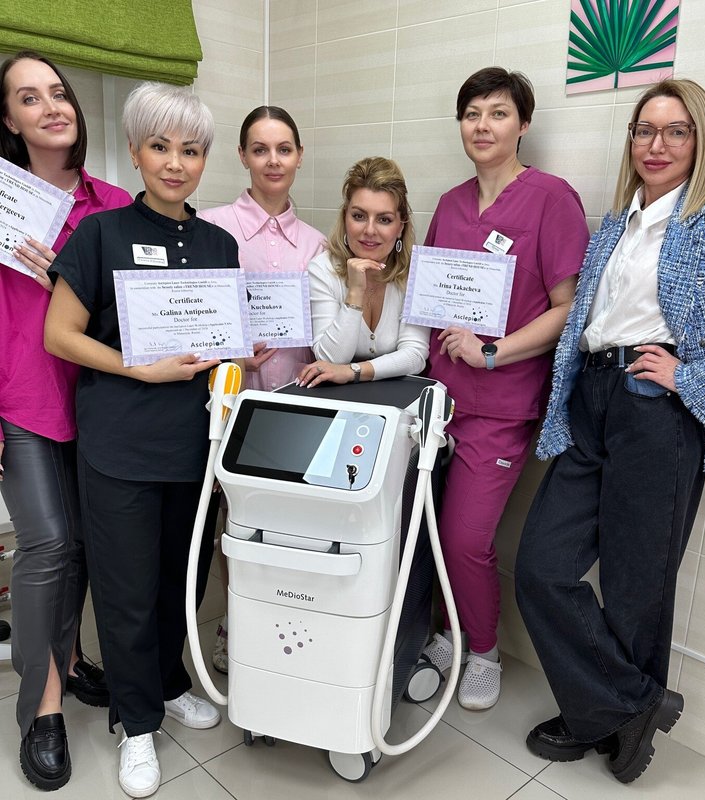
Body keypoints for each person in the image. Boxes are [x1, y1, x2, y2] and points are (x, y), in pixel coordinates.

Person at [514, 78, 705, 784]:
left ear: (700, 141)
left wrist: (693, 376)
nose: (657, 144)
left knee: (636, 585)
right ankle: (632, 704)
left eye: (676, 131)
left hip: (655, 410)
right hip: (591, 403)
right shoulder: (617, 223)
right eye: (645, 129)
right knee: (543, 566)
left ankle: (609, 725)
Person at [43, 82, 239, 799]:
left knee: (178, 582)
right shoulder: (100, 234)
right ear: (134, 152)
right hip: (120, 445)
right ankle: (136, 722)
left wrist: (236, 360)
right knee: (126, 591)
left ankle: (167, 682)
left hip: (194, 446)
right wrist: (138, 366)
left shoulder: (219, 243)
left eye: (191, 150)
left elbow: (221, 342)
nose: (175, 163)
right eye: (160, 147)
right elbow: (58, 334)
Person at [421, 67, 589, 711]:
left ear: (523, 124)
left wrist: (492, 352)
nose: (483, 125)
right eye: (472, 114)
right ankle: (447, 633)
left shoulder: (551, 199)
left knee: (467, 538)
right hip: (437, 400)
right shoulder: (450, 204)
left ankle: (484, 651)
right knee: (428, 530)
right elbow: (430, 297)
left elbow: (567, 308)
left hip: (500, 406)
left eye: (498, 113)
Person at [0, 50, 131, 790]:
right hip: (21, 401)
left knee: (82, 545)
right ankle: (42, 707)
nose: (51, 107)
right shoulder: (1, 203)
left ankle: (72, 658)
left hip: (102, 403)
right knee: (46, 543)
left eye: (57, 92)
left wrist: (67, 277)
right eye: (29, 98)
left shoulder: (112, 205)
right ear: (8, 119)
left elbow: (131, 317)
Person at [199, 105, 325, 672]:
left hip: (299, 407)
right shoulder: (210, 228)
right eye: (260, 149)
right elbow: (190, 320)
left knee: (291, 523)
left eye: (284, 149)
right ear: (243, 156)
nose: (273, 160)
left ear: (299, 156)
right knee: (237, 523)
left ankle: (287, 621)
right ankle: (236, 620)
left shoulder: (319, 244)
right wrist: (231, 352)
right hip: (231, 405)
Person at [297, 156, 428, 388]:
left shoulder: (415, 273)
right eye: (359, 216)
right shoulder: (322, 269)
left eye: (384, 220)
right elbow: (329, 359)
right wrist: (355, 292)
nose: (369, 230)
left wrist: (353, 372)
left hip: (397, 399)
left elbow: (415, 355)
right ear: (345, 217)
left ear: (400, 227)